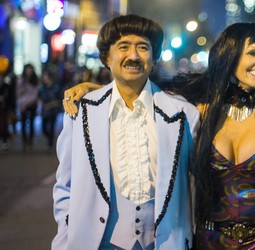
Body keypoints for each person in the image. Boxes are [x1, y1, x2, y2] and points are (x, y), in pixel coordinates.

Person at [64, 22, 255, 249]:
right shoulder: (195, 107)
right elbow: (143, 92)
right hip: (210, 239)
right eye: (252, 53)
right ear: (230, 55)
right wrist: (98, 89)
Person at [52, 15, 200, 250]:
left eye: (143, 47)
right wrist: (66, 236)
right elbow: (64, 186)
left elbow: (194, 185)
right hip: (97, 243)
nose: (133, 56)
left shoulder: (183, 114)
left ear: (154, 58)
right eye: (123, 47)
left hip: (165, 243)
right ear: (107, 57)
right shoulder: (82, 112)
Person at [16, 63, 40, 150]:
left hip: (32, 104)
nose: (29, 71)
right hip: (23, 105)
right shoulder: (21, 80)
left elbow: (35, 94)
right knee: (23, 123)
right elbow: (18, 93)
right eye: (27, 69)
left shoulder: (35, 80)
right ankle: (24, 141)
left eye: (30, 69)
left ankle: (30, 141)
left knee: (31, 123)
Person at [38, 70, 62, 150]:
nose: (44, 78)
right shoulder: (42, 87)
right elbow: (39, 97)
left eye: (45, 76)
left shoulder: (56, 87)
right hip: (44, 111)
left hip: (53, 111)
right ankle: (49, 139)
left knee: (51, 127)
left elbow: (59, 100)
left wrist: (49, 105)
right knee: (43, 129)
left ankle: (50, 144)